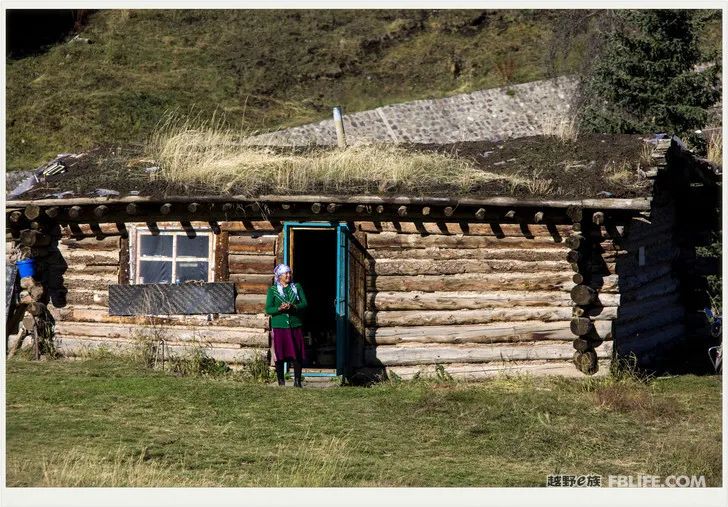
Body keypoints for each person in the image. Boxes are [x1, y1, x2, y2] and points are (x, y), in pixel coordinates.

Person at [265, 264, 308, 387]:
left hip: (295, 325)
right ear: (279, 276)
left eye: (289, 273)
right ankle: (281, 382)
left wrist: (293, 306)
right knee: (280, 354)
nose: (288, 275)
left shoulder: (296, 287)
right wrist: (279, 308)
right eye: (286, 274)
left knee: (297, 353)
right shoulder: (272, 290)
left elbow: (305, 304)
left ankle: (297, 382)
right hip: (279, 326)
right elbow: (268, 309)